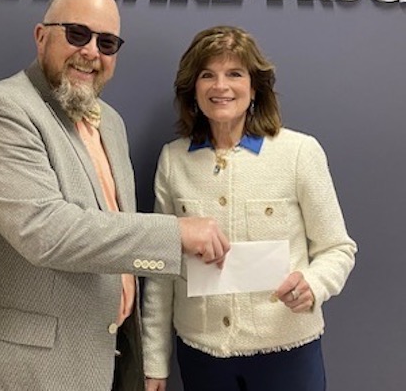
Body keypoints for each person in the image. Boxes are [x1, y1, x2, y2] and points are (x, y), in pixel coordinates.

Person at [0, 0, 229, 391]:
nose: (91, 51)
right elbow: (48, 233)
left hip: (110, 360)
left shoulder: (110, 122)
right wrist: (177, 233)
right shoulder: (2, 109)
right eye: (77, 34)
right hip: (34, 373)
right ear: (41, 36)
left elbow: (112, 234)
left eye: (107, 42)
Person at [141, 26, 357, 391]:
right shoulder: (173, 160)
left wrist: (314, 284)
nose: (220, 86)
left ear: (255, 87)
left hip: (286, 352)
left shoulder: (299, 153)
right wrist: (155, 363)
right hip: (202, 356)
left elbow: (338, 248)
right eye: (207, 74)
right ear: (192, 89)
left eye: (234, 74)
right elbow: (162, 271)